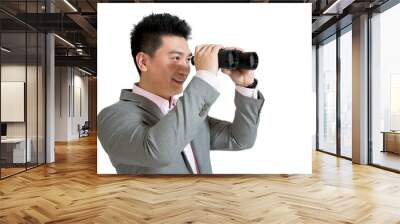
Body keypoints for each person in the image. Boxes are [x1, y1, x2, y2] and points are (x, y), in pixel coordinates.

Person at [98, 13, 265, 174]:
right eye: (176, 58)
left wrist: (246, 85)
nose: (185, 69)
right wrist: (205, 77)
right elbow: (158, 153)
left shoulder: (190, 113)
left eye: (188, 59)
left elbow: (240, 139)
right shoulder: (112, 116)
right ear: (143, 62)